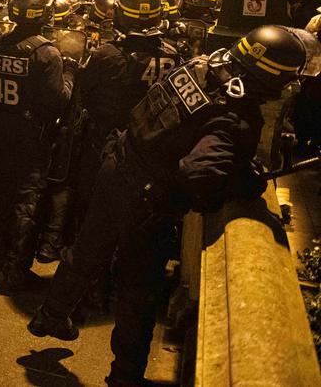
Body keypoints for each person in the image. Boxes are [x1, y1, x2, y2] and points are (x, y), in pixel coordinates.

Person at [29, 25, 321, 386]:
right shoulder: (237, 115)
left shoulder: (203, 65)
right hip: (147, 199)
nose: (291, 86)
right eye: (289, 78)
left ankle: (50, 315)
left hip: (119, 160)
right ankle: (125, 378)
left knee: (89, 248)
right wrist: (240, 182)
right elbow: (201, 173)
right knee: (139, 293)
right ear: (270, 77)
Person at [0, 0, 73, 295]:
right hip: (31, 136)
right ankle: (14, 271)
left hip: (1, 129)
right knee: (27, 203)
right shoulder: (47, 53)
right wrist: (70, 78)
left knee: (2, 194)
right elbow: (56, 101)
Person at [74, 0, 181, 232]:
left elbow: (83, 93)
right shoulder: (172, 54)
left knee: (92, 205)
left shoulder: (106, 55)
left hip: (104, 142)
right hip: (149, 144)